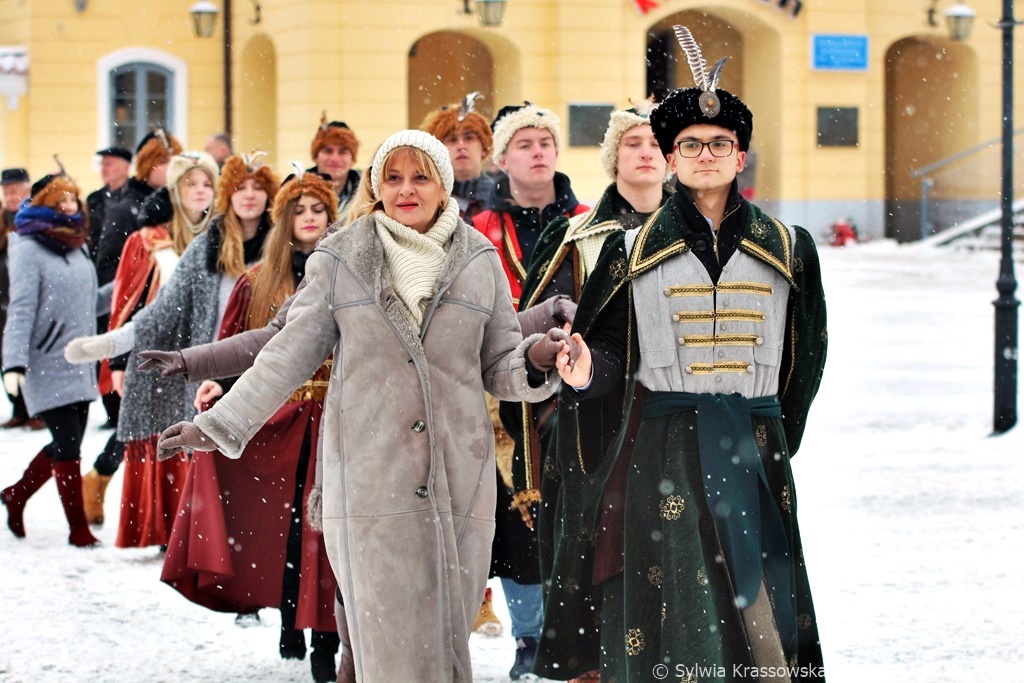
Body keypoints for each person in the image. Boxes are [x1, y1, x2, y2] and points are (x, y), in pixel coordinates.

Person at [154, 129, 574, 682]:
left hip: (459, 480)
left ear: (443, 185)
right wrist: (219, 424)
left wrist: (538, 358)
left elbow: (498, 366)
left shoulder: (479, 258)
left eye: (421, 176)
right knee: (386, 639)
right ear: (376, 185)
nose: (406, 189)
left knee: (447, 638)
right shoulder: (341, 256)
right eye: (393, 177)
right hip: (368, 477)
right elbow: (286, 355)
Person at [548, 27, 828, 681]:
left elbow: (805, 357)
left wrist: (769, 428)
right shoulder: (631, 248)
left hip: (752, 442)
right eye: (692, 144)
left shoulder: (790, 247)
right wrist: (590, 374)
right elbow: (613, 351)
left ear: (741, 156)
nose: (707, 154)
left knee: (759, 606)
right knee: (673, 598)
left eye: (720, 144)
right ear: (672, 159)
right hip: (662, 447)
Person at [160, 169, 341, 683]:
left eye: (318, 210)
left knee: (324, 534)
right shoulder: (257, 280)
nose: (308, 219)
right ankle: (290, 614)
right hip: (274, 421)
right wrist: (218, 383)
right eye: (298, 211)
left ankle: (325, 639)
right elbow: (242, 345)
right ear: (283, 221)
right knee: (280, 530)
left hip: (332, 420)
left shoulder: (347, 275)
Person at [511, 100, 671, 682]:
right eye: (633, 143)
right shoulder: (575, 235)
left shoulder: (702, 230)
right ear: (613, 157)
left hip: (676, 419)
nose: (647, 151)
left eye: (656, 142)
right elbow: (535, 327)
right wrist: (564, 360)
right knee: (597, 555)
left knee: (671, 556)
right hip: (592, 427)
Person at [64, 153, 276, 550]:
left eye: (258, 188)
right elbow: (151, 305)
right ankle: (209, 545)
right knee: (204, 455)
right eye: (240, 188)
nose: (248, 196)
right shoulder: (195, 242)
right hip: (207, 367)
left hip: (266, 368)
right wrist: (115, 348)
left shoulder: (282, 245)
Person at [472, 101, 589, 680]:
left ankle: (574, 632)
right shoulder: (476, 228)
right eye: (524, 143)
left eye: (546, 141)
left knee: (571, 512)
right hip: (498, 390)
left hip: (571, 383)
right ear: (501, 158)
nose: (538, 151)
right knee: (516, 519)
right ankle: (529, 637)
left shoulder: (589, 221)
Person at [79, 152, 219, 528]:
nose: (201, 191)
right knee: (150, 433)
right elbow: (126, 300)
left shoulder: (226, 235)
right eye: (192, 183)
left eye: (208, 183)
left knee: (191, 432)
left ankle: (192, 522)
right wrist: (120, 363)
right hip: (154, 350)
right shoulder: (147, 239)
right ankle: (159, 518)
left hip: (204, 348)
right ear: (175, 189)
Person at [1, 171, 107, 547]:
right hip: (45, 359)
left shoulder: (75, 242)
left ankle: (16, 495)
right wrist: (12, 363)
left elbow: (90, 301)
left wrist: (132, 286)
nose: (68, 206)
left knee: (68, 442)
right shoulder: (27, 246)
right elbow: (22, 308)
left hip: (79, 358)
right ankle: (78, 529)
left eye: (72, 199)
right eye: (60, 200)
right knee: (67, 444)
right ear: (45, 201)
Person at [93, 130, 183, 287]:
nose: (171, 167)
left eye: (176, 161)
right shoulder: (125, 211)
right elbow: (108, 269)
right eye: (163, 161)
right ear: (147, 166)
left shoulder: (184, 207)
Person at [86, 146, 134, 431]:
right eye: (102, 164)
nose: (105, 169)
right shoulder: (94, 200)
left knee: (120, 343)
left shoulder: (134, 199)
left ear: (126, 166)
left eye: (110, 164)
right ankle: (109, 408)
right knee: (102, 344)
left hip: (124, 278)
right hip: (99, 278)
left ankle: (121, 408)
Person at [0, 167, 43, 430]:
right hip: (4, 295)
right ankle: (18, 408)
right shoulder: (3, 219)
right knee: (6, 355)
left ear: (26, 188)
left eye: (14, 189)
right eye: (6, 191)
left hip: (27, 293)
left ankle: (38, 409)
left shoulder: (34, 217)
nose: (10, 195)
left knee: (32, 354)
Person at [420, 92, 496, 223]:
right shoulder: (426, 198)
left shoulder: (500, 199)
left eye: (469, 138)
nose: (461, 146)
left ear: (484, 148)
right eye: (452, 139)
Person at [309, 114, 362, 215]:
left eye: (342, 152)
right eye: (328, 151)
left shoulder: (369, 193)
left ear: (352, 159)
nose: (335, 158)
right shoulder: (298, 190)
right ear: (315, 156)